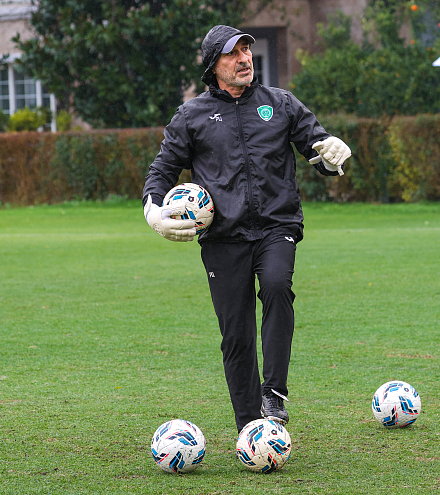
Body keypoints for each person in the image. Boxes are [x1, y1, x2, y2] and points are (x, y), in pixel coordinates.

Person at [141, 25, 351, 433]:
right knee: (236, 335)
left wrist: (333, 154)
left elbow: (318, 148)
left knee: (276, 285)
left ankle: (273, 393)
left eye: (246, 51)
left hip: (276, 226)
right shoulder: (191, 116)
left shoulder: (281, 103)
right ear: (213, 65)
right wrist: (153, 211)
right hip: (223, 238)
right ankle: (250, 428)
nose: (244, 59)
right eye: (232, 54)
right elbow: (161, 171)